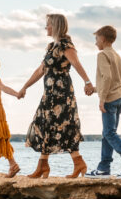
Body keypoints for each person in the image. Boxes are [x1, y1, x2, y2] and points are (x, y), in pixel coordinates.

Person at [18, 13, 93, 178]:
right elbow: (40, 70)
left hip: (62, 95)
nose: (46, 27)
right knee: (44, 125)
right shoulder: (51, 47)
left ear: (56, 26)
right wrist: (25, 87)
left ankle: (67, 164)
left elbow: (76, 63)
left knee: (62, 125)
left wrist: (87, 82)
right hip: (49, 95)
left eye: (48, 24)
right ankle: (49, 165)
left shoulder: (66, 45)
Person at [84, 25, 121, 179]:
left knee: (109, 133)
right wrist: (95, 89)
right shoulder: (116, 55)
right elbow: (113, 81)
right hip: (119, 96)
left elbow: (107, 78)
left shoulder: (102, 55)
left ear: (102, 39)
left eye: (96, 39)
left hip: (109, 99)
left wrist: (101, 100)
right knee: (107, 134)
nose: (95, 43)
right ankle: (103, 168)